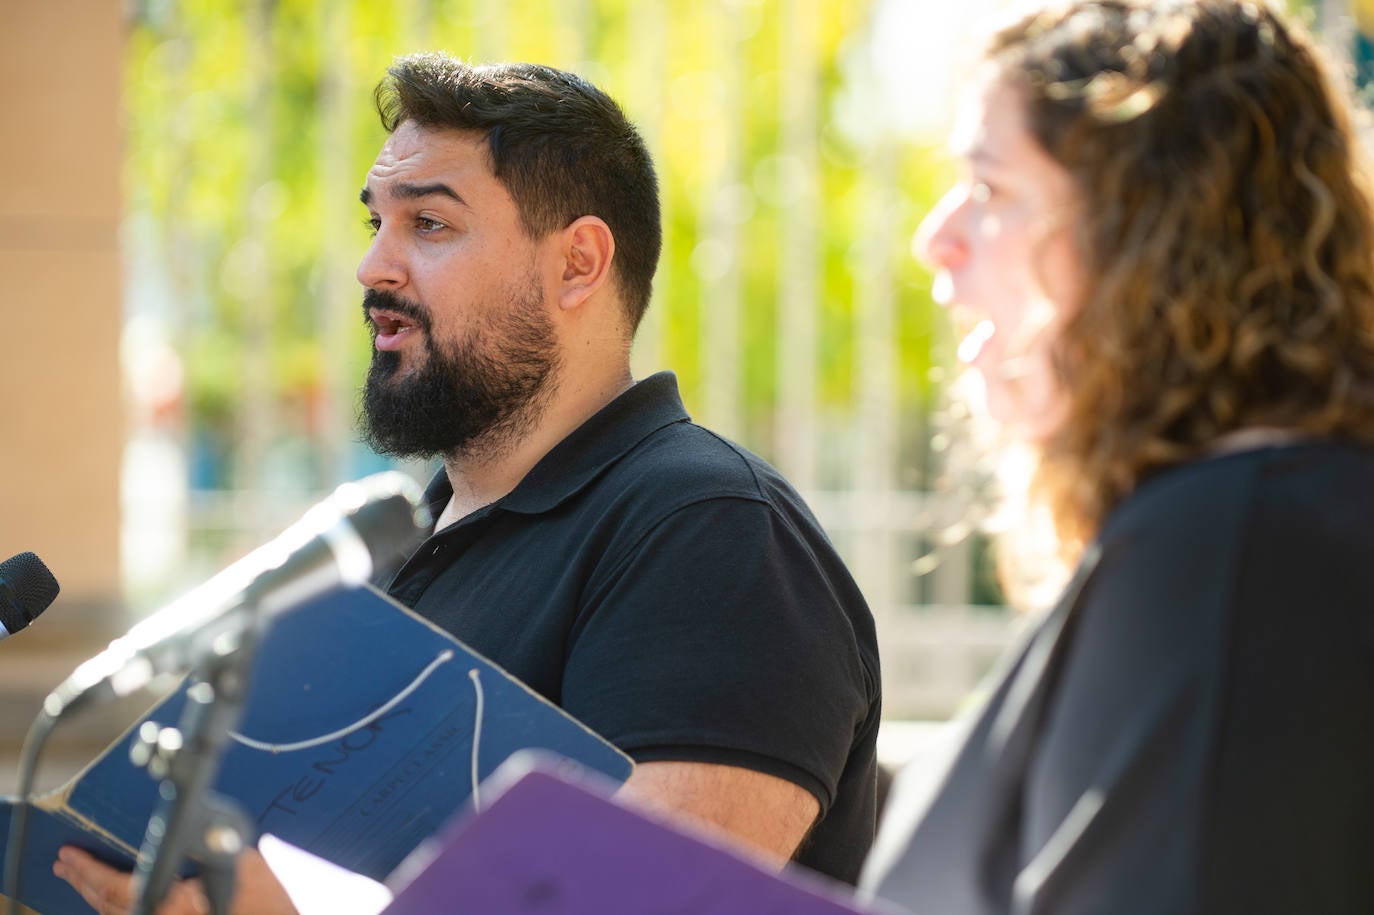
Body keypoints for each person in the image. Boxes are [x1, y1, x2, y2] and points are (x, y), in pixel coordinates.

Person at [54, 56, 881, 913]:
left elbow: (655, 903)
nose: (374, 266)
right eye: (376, 221)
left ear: (578, 263)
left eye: (431, 225)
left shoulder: (711, 532)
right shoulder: (386, 550)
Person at [860, 1, 1374, 912]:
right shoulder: (1242, 523)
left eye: (991, 190)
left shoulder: (1230, 550)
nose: (933, 237)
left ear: (1147, 242)